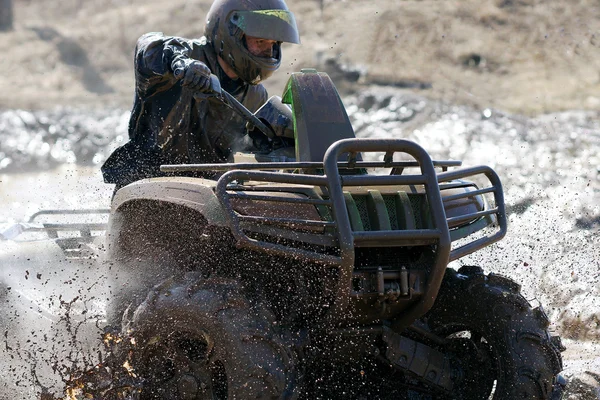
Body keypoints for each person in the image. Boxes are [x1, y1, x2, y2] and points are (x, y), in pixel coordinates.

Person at [102, 0, 300, 189]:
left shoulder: (256, 97)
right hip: (147, 185)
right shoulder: (182, 57)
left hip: (209, 201)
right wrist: (181, 63)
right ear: (231, 34)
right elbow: (148, 46)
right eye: (260, 41)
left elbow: (249, 155)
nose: (269, 50)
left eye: (273, 43)